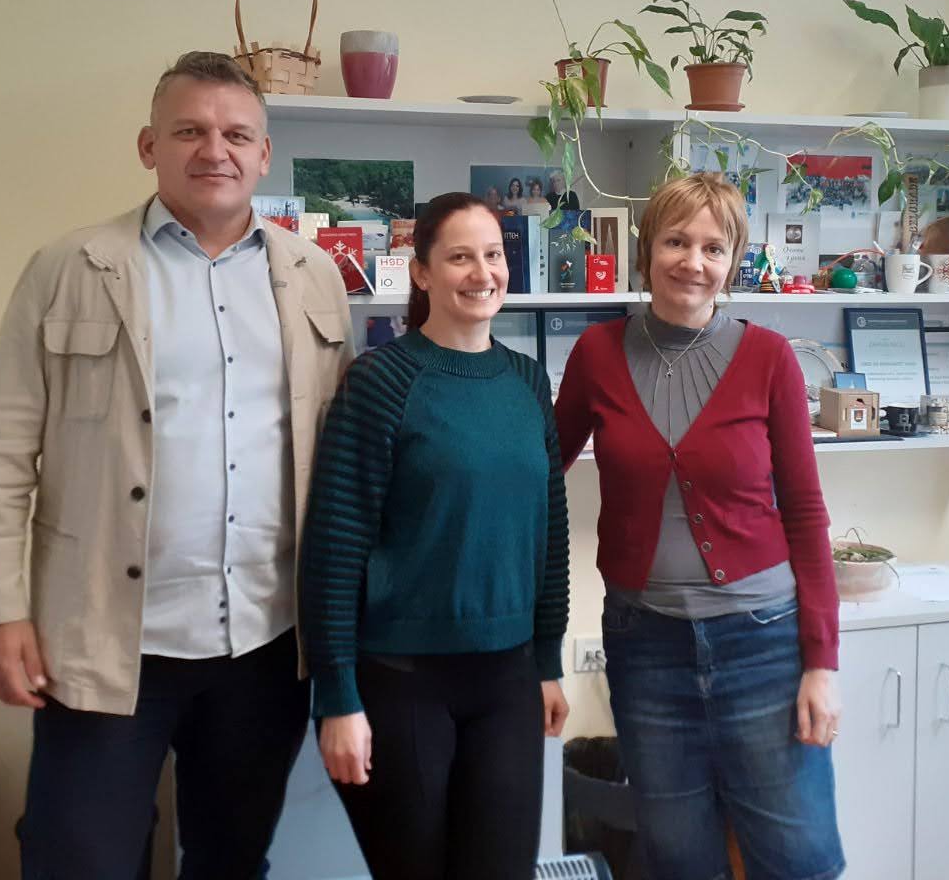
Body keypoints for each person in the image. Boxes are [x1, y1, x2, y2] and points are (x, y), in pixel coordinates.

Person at [0, 51, 353, 880]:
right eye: (190, 131)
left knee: (230, 858)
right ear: (149, 146)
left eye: (236, 134)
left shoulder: (313, 275)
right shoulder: (72, 267)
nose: (215, 150)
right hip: (103, 639)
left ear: (264, 154)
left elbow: (339, 454)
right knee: (79, 859)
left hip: (265, 642)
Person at [555, 172, 845, 880]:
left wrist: (821, 663)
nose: (693, 261)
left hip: (764, 646)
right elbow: (537, 473)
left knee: (799, 859)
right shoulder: (597, 354)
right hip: (646, 647)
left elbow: (806, 513)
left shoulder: (770, 358)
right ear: (647, 250)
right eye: (676, 242)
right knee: (678, 858)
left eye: (714, 248)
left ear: (733, 260)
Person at [300, 192, 570, 880]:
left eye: (493, 255)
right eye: (459, 257)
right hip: (402, 685)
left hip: (509, 682)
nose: (482, 273)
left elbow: (550, 530)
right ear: (421, 272)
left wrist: (547, 660)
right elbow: (335, 548)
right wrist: (337, 698)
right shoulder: (381, 382)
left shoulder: (527, 381)